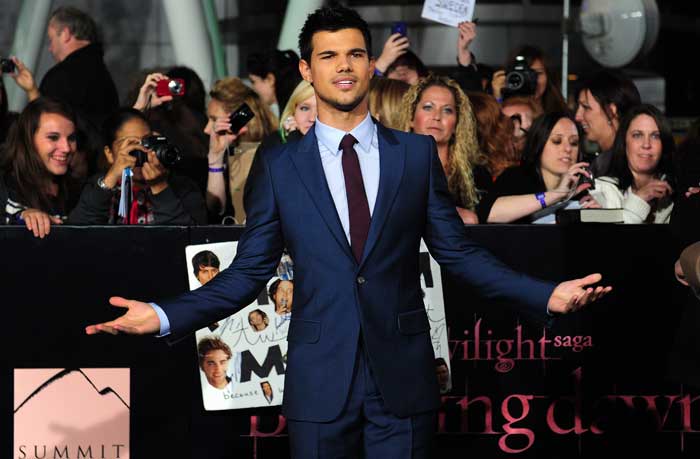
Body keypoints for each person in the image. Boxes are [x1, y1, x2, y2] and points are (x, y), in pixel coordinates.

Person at [86, 6, 610, 458]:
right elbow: (248, 273)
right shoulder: (280, 166)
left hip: (402, 382)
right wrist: (161, 315)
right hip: (320, 383)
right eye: (330, 56)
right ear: (306, 69)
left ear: (369, 63)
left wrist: (546, 295)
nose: (344, 66)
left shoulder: (415, 156)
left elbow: (459, 254)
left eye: (356, 54)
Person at [68, 108, 207, 225]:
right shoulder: (97, 186)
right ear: (109, 154)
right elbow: (77, 233)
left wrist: (160, 188)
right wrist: (110, 179)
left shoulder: (183, 187)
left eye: (146, 142)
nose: (141, 150)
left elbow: (190, 241)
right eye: (131, 145)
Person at [9, 6, 118, 131]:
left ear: (65, 34)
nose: (50, 48)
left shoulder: (62, 76)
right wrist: (32, 90)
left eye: (51, 39)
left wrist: (32, 92)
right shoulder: (104, 76)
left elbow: (46, 125)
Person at [399, 75, 490, 224]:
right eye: (428, 107)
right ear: (411, 117)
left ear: (457, 124)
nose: (437, 117)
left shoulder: (476, 174)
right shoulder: (391, 166)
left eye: (447, 110)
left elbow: (482, 216)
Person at [477, 112, 590, 224]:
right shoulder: (516, 177)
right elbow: (487, 213)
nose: (567, 149)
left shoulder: (581, 188)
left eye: (574, 143)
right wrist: (556, 194)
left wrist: (597, 215)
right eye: (557, 141)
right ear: (538, 143)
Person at [0, 97, 79, 238]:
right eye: (53, 137)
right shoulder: (5, 185)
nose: (66, 148)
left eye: (71, 138)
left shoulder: (77, 187)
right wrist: (23, 216)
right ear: (28, 140)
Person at [204, 77, 277, 223]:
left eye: (214, 119)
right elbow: (215, 209)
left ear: (239, 118)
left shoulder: (266, 155)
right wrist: (215, 160)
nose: (206, 129)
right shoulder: (230, 153)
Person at [587, 104, 674, 224]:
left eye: (655, 136)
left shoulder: (675, 194)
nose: (646, 144)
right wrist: (640, 198)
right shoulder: (603, 190)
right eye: (637, 135)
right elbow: (610, 240)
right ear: (624, 142)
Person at [574, 70, 642, 177]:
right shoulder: (601, 163)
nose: (577, 116)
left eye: (586, 107)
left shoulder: (633, 164)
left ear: (611, 111)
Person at [493, 45, 567, 113]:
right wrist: (498, 98)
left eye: (538, 73)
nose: (532, 79)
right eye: (524, 74)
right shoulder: (506, 112)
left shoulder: (560, 115)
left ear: (548, 76)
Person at [247, 49, 302, 117]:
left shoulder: (295, 111)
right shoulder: (291, 107)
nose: (253, 88)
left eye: (253, 82)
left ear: (270, 79)